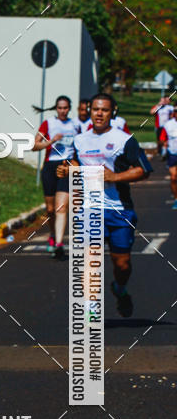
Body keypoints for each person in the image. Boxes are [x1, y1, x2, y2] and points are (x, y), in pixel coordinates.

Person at [58, 93, 152, 317]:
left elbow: (143, 170)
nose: (99, 113)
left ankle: (119, 289)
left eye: (105, 110)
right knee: (91, 259)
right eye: (96, 109)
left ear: (113, 112)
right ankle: (91, 309)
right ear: (89, 111)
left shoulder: (124, 139)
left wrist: (114, 178)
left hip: (119, 209)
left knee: (122, 265)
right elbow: (75, 163)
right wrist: (65, 168)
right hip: (89, 209)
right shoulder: (81, 140)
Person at [32, 95, 81, 259]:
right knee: (51, 209)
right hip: (50, 165)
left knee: (61, 207)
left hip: (67, 166)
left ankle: (59, 243)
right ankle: (53, 234)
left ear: (69, 108)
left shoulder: (75, 124)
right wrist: (51, 141)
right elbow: (34, 145)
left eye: (65, 108)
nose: (62, 111)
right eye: (60, 108)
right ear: (56, 108)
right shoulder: (49, 123)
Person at [157, 109, 177, 209]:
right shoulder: (168, 125)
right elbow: (162, 138)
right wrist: (163, 143)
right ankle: (176, 199)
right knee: (173, 177)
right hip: (173, 154)